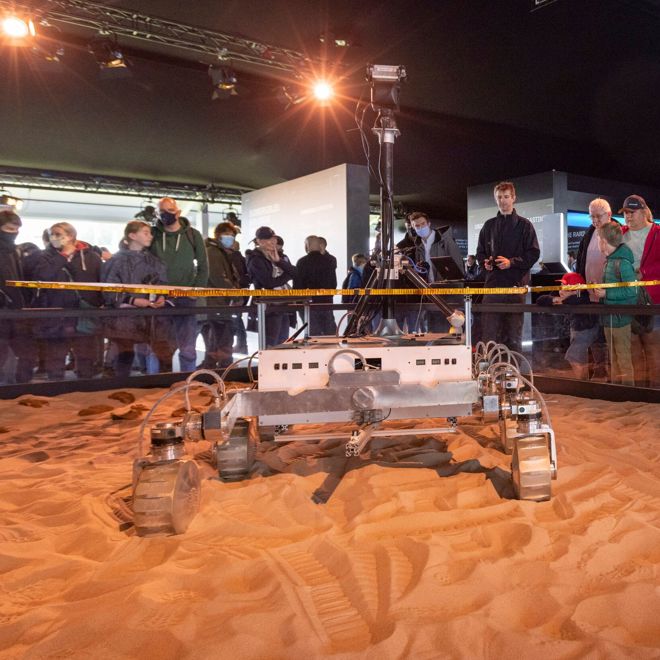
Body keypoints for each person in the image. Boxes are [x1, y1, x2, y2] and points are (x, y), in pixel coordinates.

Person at [28, 221, 103, 380]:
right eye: (52, 234)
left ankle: (85, 388)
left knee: (85, 355)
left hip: (83, 312)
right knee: (55, 356)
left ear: (70, 236)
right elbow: (42, 277)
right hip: (57, 313)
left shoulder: (91, 257)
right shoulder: (44, 256)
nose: (54, 238)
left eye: (58, 234)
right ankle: (55, 388)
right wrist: (62, 257)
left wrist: (97, 304)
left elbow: (100, 282)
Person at [101, 221, 173, 377]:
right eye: (145, 232)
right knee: (123, 355)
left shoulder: (155, 261)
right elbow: (108, 289)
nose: (150, 236)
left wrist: (162, 296)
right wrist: (132, 301)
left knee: (161, 354)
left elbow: (163, 283)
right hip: (123, 319)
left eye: (150, 233)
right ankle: (116, 390)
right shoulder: (116, 262)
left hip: (151, 318)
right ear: (132, 235)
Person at [476, 181, 540, 352]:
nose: (503, 201)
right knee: (488, 334)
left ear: (513, 198)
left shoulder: (525, 225)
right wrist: (485, 263)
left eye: (506, 197)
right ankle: (488, 372)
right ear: (495, 199)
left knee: (513, 335)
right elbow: (479, 253)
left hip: (515, 287)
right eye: (499, 197)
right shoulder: (488, 225)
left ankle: (514, 373)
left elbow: (533, 254)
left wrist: (511, 262)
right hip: (492, 287)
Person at [149, 197, 209, 372]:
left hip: (186, 298)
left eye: (170, 211)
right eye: (162, 212)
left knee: (188, 348)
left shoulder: (192, 235)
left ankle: (187, 383)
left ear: (178, 212)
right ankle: (158, 384)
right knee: (159, 346)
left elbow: (203, 266)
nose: (166, 215)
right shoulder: (154, 234)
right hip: (160, 297)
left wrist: (195, 291)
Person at [619, 194, 660, 387]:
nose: (628, 216)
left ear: (644, 211)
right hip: (627, 297)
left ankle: (655, 390)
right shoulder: (621, 233)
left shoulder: (657, 233)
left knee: (654, 348)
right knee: (632, 346)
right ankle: (640, 391)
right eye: (625, 213)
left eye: (632, 212)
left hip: (653, 297)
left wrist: (645, 272)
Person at [593, 221, 636, 386]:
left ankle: (628, 393)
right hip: (610, 319)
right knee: (614, 359)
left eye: (599, 238)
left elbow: (631, 291)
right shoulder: (610, 261)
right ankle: (619, 391)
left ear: (604, 241)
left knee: (623, 359)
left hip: (621, 320)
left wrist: (606, 293)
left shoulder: (622, 263)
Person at [574, 198, 613, 378]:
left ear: (609, 215)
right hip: (590, 297)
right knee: (596, 338)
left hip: (612, 297)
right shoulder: (588, 234)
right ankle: (600, 372)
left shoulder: (617, 232)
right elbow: (581, 264)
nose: (595, 220)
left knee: (611, 338)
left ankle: (613, 376)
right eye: (592, 217)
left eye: (598, 216)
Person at [536, 272, 597, 380]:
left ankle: (582, 383)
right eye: (562, 287)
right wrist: (554, 299)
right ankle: (583, 381)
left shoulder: (583, 297)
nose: (561, 291)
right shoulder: (566, 295)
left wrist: (562, 301)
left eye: (566, 288)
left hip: (587, 330)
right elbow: (540, 299)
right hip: (576, 330)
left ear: (576, 290)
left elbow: (577, 300)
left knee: (574, 357)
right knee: (577, 358)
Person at [200, 221, 242, 369]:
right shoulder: (213, 252)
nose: (230, 239)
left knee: (218, 340)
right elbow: (217, 277)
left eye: (232, 236)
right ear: (218, 235)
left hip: (219, 303)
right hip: (215, 303)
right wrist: (235, 294)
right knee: (219, 340)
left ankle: (217, 369)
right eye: (227, 235)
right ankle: (221, 370)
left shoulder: (221, 252)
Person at [246, 226, 296, 347]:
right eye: (268, 239)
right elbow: (268, 283)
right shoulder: (255, 259)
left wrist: (279, 261)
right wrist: (287, 276)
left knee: (283, 342)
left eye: (273, 238)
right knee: (270, 343)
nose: (272, 241)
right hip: (269, 306)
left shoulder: (279, 256)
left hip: (284, 304)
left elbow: (296, 272)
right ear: (259, 241)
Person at [0, 206, 33, 383]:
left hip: (17, 310)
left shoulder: (16, 251)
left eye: (16, 230)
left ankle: (18, 386)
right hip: (3, 310)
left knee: (21, 351)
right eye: (9, 229)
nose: (13, 233)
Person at [294, 235, 337, 335]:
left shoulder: (302, 262)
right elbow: (333, 284)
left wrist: (298, 301)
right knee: (329, 333)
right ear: (320, 246)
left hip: (308, 302)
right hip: (326, 301)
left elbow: (298, 285)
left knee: (313, 334)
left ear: (307, 246)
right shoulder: (329, 261)